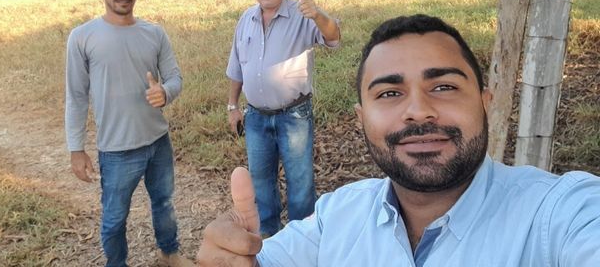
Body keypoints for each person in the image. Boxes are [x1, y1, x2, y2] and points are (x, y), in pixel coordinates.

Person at [198, 14, 600, 266]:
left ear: (485, 103)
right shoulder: (336, 218)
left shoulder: (557, 217)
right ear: (361, 120)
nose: (419, 111)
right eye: (389, 94)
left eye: (443, 86)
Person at [65, 0, 193, 267]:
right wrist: (76, 149)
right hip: (116, 150)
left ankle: (169, 253)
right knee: (114, 218)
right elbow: (76, 96)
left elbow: (175, 77)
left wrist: (166, 92)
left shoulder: (154, 33)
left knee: (163, 203)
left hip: (158, 141)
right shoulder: (82, 37)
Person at [225, 0, 341, 237]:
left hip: (293, 115)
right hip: (255, 117)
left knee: (300, 184)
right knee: (261, 183)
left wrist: (319, 15)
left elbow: (334, 38)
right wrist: (232, 106)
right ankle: (271, 239)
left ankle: (304, 240)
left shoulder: (302, 14)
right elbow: (237, 67)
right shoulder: (246, 19)